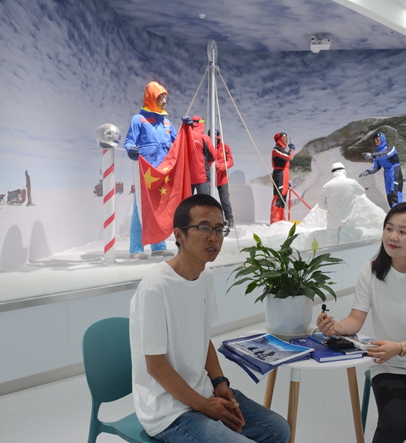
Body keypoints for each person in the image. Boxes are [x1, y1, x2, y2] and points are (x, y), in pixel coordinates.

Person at [129, 194, 290, 443]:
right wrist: (204, 406)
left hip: (203, 393)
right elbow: (155, 366)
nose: (213, 237)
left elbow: (203, 340)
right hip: (168, 411)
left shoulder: (205, 276)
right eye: (204, 228)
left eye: (219, 229)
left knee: (278, 430)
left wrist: (220, 382)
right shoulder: (156, 287)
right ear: (179, 235)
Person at [317, 201, 406, 443]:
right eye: (389, 228)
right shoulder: (371, 272)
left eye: (403, 232)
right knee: (391, 426)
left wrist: (400, 347)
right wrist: (335, 327)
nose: (393, 237)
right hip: (388, 364)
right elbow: (355, 320)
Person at [124, 81, 179, 259]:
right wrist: (131, 150)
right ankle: (136, 249)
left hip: (164, 174)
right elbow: (129, 142)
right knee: (139, 210)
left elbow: (179, 144)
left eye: (165, 97)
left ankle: (158, 247)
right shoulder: (138, 120)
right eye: (160, 97)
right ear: (151, 98)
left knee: (159, 210)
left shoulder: (167, 123)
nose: (164, 100)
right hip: (146, 174)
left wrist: (187, 130)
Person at [318, 162, 366, 244]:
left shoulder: (326, 186)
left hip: (332, 222)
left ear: (332, 172)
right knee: (347, 245)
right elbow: (361, 192)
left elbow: (321, 205)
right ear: (344, 170)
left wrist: (331, 207)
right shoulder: (352, 182)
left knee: (332, 245)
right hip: (348, 222)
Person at [359, 131, 404, 208]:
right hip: (387, 173)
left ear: (382, 139)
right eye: (374, 140)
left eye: (377, 139)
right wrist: (368, 171)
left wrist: (372, 155)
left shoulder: (390, 148)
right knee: (389, 194)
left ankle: (399, 210)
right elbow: (376, 166)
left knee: (395, 192)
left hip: (394, 170)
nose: (376, 141)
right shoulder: (377, 154)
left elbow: (386, 154)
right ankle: (393, 210)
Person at [270, 132, 295, 223]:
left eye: (287, 137)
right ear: (279, 138)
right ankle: (274, 220)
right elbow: (288, 157)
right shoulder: (277, 149)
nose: (286, 139)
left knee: (283, 199)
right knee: (278, 197)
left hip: (284, 174)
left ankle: (281, 220)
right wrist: (292, 150)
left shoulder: (282, 150)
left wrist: (287, 181)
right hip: (279, 174)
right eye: (284, 137)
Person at [190, 116, 216, 195]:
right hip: (202, 176)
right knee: (204, 201)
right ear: (201, 124)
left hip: (186, 176)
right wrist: (207, 164)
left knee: (187, 201)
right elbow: (213, 156)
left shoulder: (184, 136)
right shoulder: (204, 137)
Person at [215, 130, 234, 228]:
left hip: (222, 179)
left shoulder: (225, 147)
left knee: (225, 201)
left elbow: (230, 161)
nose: (214, 140)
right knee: (207, 201)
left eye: (216, 139)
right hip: (209, 180)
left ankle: (230, 220)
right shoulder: (206, 146)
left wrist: (223, 166)